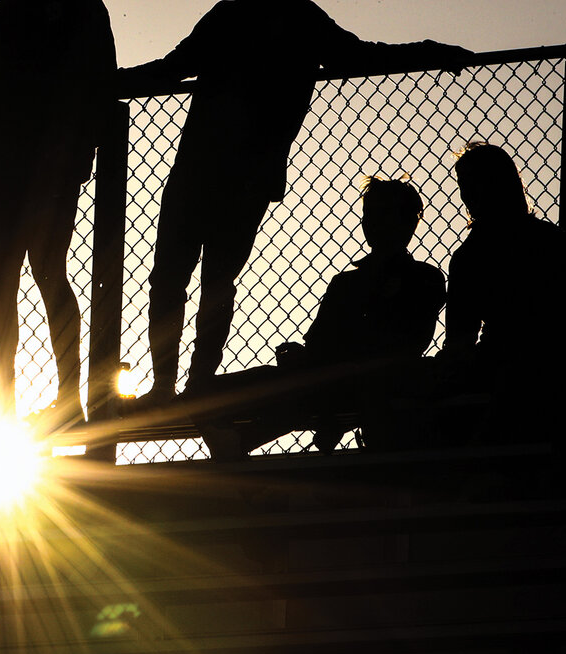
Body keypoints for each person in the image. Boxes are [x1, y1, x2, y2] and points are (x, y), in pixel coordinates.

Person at [119, 1, 470, 408]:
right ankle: (179, 385)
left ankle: (189, 384)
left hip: (223, 176)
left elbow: (171, 67)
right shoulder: (251, 16)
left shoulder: (286, 18)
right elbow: (173, 66)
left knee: (190, 281)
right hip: (216, 175)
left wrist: (428, 51)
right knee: (189, 281)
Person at [187, 176, 446, 457]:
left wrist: (333, 357)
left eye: (382, 213)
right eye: (368, 214)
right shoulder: (346, 282)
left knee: (304, 385)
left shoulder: (423, 278)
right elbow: (320, 340)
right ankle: (233, 437)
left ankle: (238, 441)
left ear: (408, 222)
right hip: (328, 376)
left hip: (373, 380)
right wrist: (306, 356)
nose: (371, 222)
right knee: (230, 387)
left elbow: (409, 343)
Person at [0, 0, 116, 429]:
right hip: (23, 161)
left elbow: (94, 82)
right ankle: (21, 406)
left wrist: (82, 149)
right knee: (13, 278)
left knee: (31, 275)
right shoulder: (13, 10)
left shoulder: (64, 10)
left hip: (43, 159)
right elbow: (2, 93)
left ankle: (53, 400)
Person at [443, 142, 566, 443]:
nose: (469, 193)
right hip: (505, 358)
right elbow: (460, 338)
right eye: (464, 185)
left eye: (477, 182)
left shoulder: (549, 243)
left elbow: (461, 338)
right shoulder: (472, 256)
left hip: (544, 354)